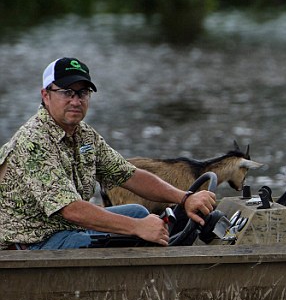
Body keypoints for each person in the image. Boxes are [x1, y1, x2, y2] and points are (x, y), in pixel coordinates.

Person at [0, 57, 217, 250]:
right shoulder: (33, 141)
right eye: (67, 92)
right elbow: (71, 210)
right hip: (31, 243)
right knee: (91, 240)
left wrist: (185, 198)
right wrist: (137, 228)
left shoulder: (84, 134)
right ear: (46, 96)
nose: (76, 101)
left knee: (138, 212)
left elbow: (128, 174)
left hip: (67, 227)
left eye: (82, 93)